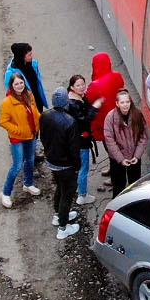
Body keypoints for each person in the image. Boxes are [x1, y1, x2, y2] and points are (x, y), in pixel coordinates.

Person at [40, 88, 82, 239]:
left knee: (59, 188)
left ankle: (58, 214)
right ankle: (63, 227)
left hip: (52, 161)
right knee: (67, 194)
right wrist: (77, 166)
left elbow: (43, 137)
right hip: (66, 165)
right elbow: (73, 148)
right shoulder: (70, 122)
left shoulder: (45, 116)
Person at [0, 74, 44, 207]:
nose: (19, 86)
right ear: (11, 86)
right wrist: (17, 130)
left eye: (21, 83)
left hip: (31, 135)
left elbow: (35, 111)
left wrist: (39, 122)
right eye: (16, 84)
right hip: (18, 138)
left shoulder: (29, 94)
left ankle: (28, 184)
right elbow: (3, 122)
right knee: (17, 165)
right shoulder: (7, 102)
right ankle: (5, 193)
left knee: (30, 160)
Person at [102, 88, 150, 194]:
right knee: (118, 186)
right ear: (117, 104)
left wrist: (137, 156)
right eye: (122, 102)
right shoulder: (110, 118)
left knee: (135, 185)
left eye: (127, 102)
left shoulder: (137, 115)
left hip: (134, 157)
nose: (125, 105)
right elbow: (110, 141)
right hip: (117, 159)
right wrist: (121, 159)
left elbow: (143, 136)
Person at [65, 74, 98, 205]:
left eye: (83, 84)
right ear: (72, 87)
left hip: (75, 139)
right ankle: (82, 195)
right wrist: (95, 108)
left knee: (78, 166)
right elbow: (84, 120)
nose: (81, 87)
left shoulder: (78, 98)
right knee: (83, 167)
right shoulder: (74, 103)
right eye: (78, 85)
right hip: (81, 140)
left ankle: (78, 189)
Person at [4, 43, 45, 127]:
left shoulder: (33, 64)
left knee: (37, 123)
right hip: (25, 105)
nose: (31, 56)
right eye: (29, 55)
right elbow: (11, 93)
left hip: (36, 100)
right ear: (22, 56)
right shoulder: (11, 72)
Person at [87, 52, 125, 139]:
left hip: (104, 122)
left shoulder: (95, 85)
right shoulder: (117, 76)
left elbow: (88, 100)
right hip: (119, 115)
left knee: (110, 144)